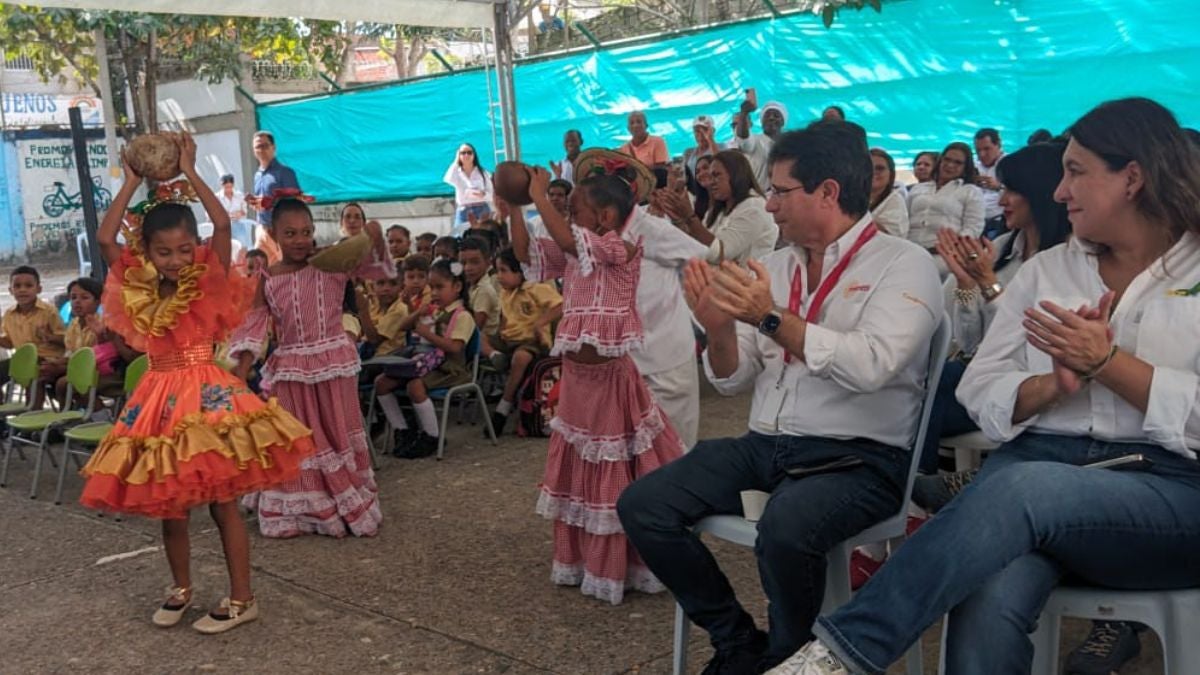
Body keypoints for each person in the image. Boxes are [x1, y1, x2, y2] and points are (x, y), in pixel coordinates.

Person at [767, 97, 1200, 675]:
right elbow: (981, 386)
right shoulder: (1050, 270)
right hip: (1035, 475)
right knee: (987, 595)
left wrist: (1109, 364)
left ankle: (840, 655)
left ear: (1133, 178)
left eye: (1075, 172)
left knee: (1020, 487)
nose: (1059, 191)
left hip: (1167, 490)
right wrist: (1051, 387)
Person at [618, 121, 942, 671]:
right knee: (644, 504)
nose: (769, 206)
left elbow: (872, 365)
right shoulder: (775, 266)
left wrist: (769, 318)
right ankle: (738, 641)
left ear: (828, 192)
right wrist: (719, 329)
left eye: (780, 191)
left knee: (786, 529)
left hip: (860, 459)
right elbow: (734, 377)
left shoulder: (902, 263)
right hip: (766, 447)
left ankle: (788, 656)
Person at [79, 132, 316, 634]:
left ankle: (241, 597)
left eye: (184, 249)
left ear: (195, 248)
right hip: (159, 399)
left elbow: (225, 222)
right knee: (173, 504)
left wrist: (189, 171)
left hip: (209, 396)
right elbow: (105, 239)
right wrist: (132, 181)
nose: (175, 259)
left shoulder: (206, 278)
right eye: (163, 252)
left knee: (222, 500)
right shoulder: (139, 284)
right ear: (147, 251)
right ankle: (181, 588)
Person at [511, 152, 684, 605]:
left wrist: (538, 197)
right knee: (581, 469)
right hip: (578, 379)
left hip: (609, 381)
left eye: (576, 209)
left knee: (613, 471)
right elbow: (525, 253)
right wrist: (513, 206)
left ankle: (625, 564)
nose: (569, 218)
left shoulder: (620, 247)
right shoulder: (576, 249)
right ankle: (587, 561)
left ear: (605, 216)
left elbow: (568, 240)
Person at [229, 197, 391, 539]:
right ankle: (302, 508)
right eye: (290, 233)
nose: (300, 240)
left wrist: (369, 233)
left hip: (334, 364)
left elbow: (375, 254)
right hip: (290, 368)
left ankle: (342, 500)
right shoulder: (268, 277)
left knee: (335, 432)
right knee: (296, 438)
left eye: (306, 231)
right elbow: (255, 324)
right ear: (273, 235)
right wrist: (239, 371)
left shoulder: (332, 263)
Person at [372, 259, 477, 458]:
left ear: (457, 287)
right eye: (432, 287)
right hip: (424, 362)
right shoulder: (435, 310)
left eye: (440, 287)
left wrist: (426, 333)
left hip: (450, 368)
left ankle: (432, 436)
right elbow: (403, 326)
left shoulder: (462, 316)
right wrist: (416, 310)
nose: (435, 293)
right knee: (382, 383)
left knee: (415, 386)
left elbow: (455, 348)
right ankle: (403, 430)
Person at [487, 247, 563, 435]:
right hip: (509, 338)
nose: (499, 276)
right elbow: (507, 317)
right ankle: (495, 355)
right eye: (497, 270)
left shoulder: (536, 289)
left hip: (530, 341)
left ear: (520, 271)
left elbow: (562, 304)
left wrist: (541, 323)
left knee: (520, 358)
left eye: (503, 270)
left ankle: (503, 407)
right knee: (478, 335)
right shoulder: (505, 292)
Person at [667, 150, 776, 264]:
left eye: (716, 175)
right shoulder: (719, 208)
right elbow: (696, 244)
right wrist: (678, 219)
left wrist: (690, 217)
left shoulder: (754, 207)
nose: (711, 182)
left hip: (746, 280)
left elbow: (720, 254)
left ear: (736, 174)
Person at [906, 141, 985, 272]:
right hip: (910, 252)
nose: (950, 165)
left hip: (945, 258)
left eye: (957, 163)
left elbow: (973, 228)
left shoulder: (970, 191)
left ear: (966, 167)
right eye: (947, 160)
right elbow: (904, 219)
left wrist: (954, 248)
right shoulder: (918, 188)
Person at [1, 265, 65, 409]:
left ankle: (33, 414)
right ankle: (2, 420)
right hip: (21, 360)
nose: (22, 290)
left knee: (32, 371)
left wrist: (49, 337)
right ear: (11, 290)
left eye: (28, 285)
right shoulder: (9, 314)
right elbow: (9, 343)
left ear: (38, 289)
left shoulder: (49, 311)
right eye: (17, 286)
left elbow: (65, 341)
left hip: (46, 358)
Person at [246, 131, 300, 231]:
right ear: (254, 151)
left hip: (281, 229)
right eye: (258, 147)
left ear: (273, 147)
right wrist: (255, 202)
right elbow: (261, 204)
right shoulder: (257, 175)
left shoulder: (285, 173)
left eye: (265, 146)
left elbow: (295, 203)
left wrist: (268, 203)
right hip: (262, 228)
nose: (261, 150)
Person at [734, 99, 787, 192]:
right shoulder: (755, 140)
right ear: (762, 122)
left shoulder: (790, 144)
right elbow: (743, 136)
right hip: (759, 196)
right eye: (767, 115)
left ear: (783, 122)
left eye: (776, 115)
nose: (771, 118)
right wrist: (744, 113)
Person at [444, 143, 492, 236]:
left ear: (474, 155)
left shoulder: (483, 173)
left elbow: (491, 193)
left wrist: (483, 194)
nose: (466, 155)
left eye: (469, 152)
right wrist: (455, 161)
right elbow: (447, 179)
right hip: (463, 210)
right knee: (459, 236)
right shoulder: (456, 172)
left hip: (481, 208)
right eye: (463, 153)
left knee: (484, 236)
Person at [868, 149, 909, 238]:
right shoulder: (852, 198)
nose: (873, 172)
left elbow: (889, 235)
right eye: (868, 167)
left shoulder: (895, 200)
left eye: (880, 168)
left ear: (891, 174)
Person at [974, 128, 1006, 239]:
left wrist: (999, 186)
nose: (982, 154)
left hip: (999, 221)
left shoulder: (1010, 164)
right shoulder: (974, 166)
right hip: (975, 220)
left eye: (987, 149)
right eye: (978, 151)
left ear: (998, 145)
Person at [217, 174, 254, 251]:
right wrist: (225, 215)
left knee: (243, 245)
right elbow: (211, 214)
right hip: (224, 226)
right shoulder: (217, 197)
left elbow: (244, 211)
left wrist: (239, 213)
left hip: (238, 224)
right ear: (221, 186)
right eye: (226, 187)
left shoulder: (239, 195)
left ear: (233, 185)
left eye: (230, 187)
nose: (228, 190)